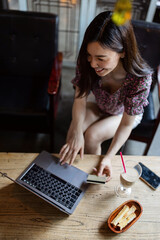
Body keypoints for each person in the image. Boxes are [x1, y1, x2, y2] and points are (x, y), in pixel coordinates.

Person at [59, 11, 152, 182]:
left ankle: (95, 178)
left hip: (123, 115)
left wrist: (108, 158)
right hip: (101, 105)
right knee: (74, 130)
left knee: (92, 135)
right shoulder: (87, 62)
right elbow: (80, 98)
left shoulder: (140, 78)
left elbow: (125, 124)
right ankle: (69, 174)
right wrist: (77, 131)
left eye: (101, 58)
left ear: (123, 51)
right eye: (90, 56)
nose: (93, 64)